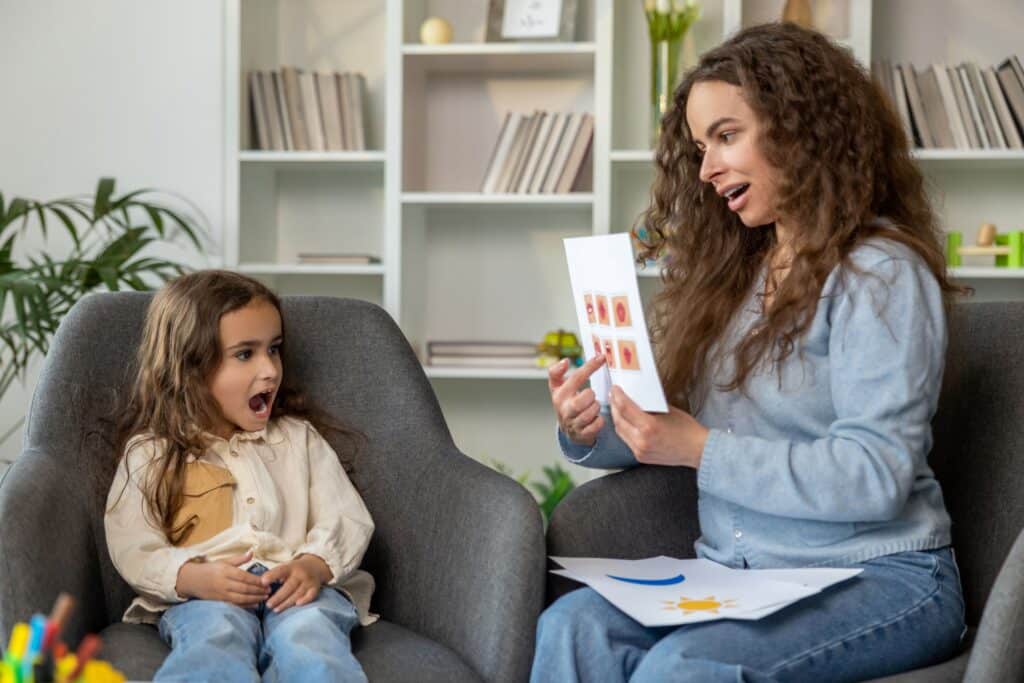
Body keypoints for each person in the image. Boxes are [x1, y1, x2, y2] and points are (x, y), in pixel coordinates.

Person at [533, 22, 967, 683]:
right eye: (702, 146)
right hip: (747, 576)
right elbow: (679, 431)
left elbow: (875, 474)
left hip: (881, 574)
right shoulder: (738, 280)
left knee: (684, 666)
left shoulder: (880, 274)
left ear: (799, 129)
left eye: (727, 136)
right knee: (571, 627)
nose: (706, 169)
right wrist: (590, 426)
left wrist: (700, 449)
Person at [104, 270, 374, 682]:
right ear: (190, 367)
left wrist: (314, 565)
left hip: (298, 590)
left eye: (275, 349)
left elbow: (345, 516)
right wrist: (192, 577)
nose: (270, 370)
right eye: (246, 354)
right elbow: (132, 542)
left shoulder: (298, 440)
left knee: (310, 640)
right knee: (214, 639)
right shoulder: (153, 453)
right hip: (208, 595)